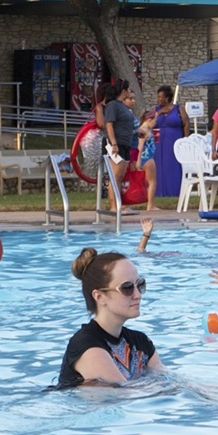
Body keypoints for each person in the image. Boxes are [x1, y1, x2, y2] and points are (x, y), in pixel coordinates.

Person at [57, 248, 163, 388]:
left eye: (140, 285)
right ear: (100, 297)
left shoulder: (140, 343)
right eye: (127, 288)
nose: (138, 295)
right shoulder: (87, 345)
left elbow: (168, 379)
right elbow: (125, 394)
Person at [102, 82, 137, 214]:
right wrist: (114, 143)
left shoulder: (122, 106)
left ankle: (119, 204)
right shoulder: (112, 105)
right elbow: (109, 124)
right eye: (127, 89)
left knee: (121, 175)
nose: (129, 92)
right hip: (115, 144)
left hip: (125, 143)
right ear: (122, 91)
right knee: (115, 176)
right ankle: (113, 206)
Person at [152, 85, 189, 199]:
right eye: (158, 97)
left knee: (173, 166)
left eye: (161, 97)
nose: (158, 99)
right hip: (158, 143)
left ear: (167, 98)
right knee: (158, 166)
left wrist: (185, 140)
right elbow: (149, 123)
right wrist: (159, 112)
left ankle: (174, 192)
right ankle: (158, 192)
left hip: (174, 141)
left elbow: (186, 124)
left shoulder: (178, 109)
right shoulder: (156, 110)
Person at [136, 107, 158, 211]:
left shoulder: (142, 129)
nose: (155, 123)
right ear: (149, 119)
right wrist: (138, 160)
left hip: (144, 158)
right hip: (147, 158)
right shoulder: (144, 131)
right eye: (155, 120)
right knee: (152, 182)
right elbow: (140, 146)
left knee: (145, 182)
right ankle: (150, 205)